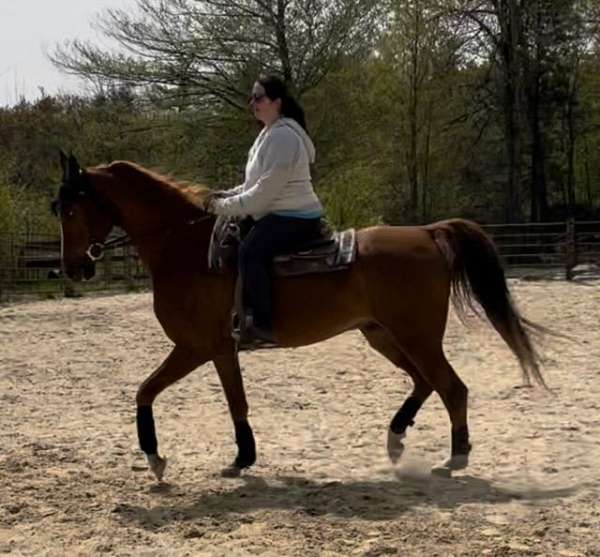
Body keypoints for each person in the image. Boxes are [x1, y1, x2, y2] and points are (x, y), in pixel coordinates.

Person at [207, 75, 324, 343]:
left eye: (259, 97)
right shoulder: (269, 133)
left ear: (277, 103)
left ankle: (263, 325)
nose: (253, 102)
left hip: (293, 216)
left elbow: (261, 196)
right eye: (252, 97)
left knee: (250, 252)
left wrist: (221, 207)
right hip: (277, 210)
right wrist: (222, 196)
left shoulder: (283, 137)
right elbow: (253, 185)